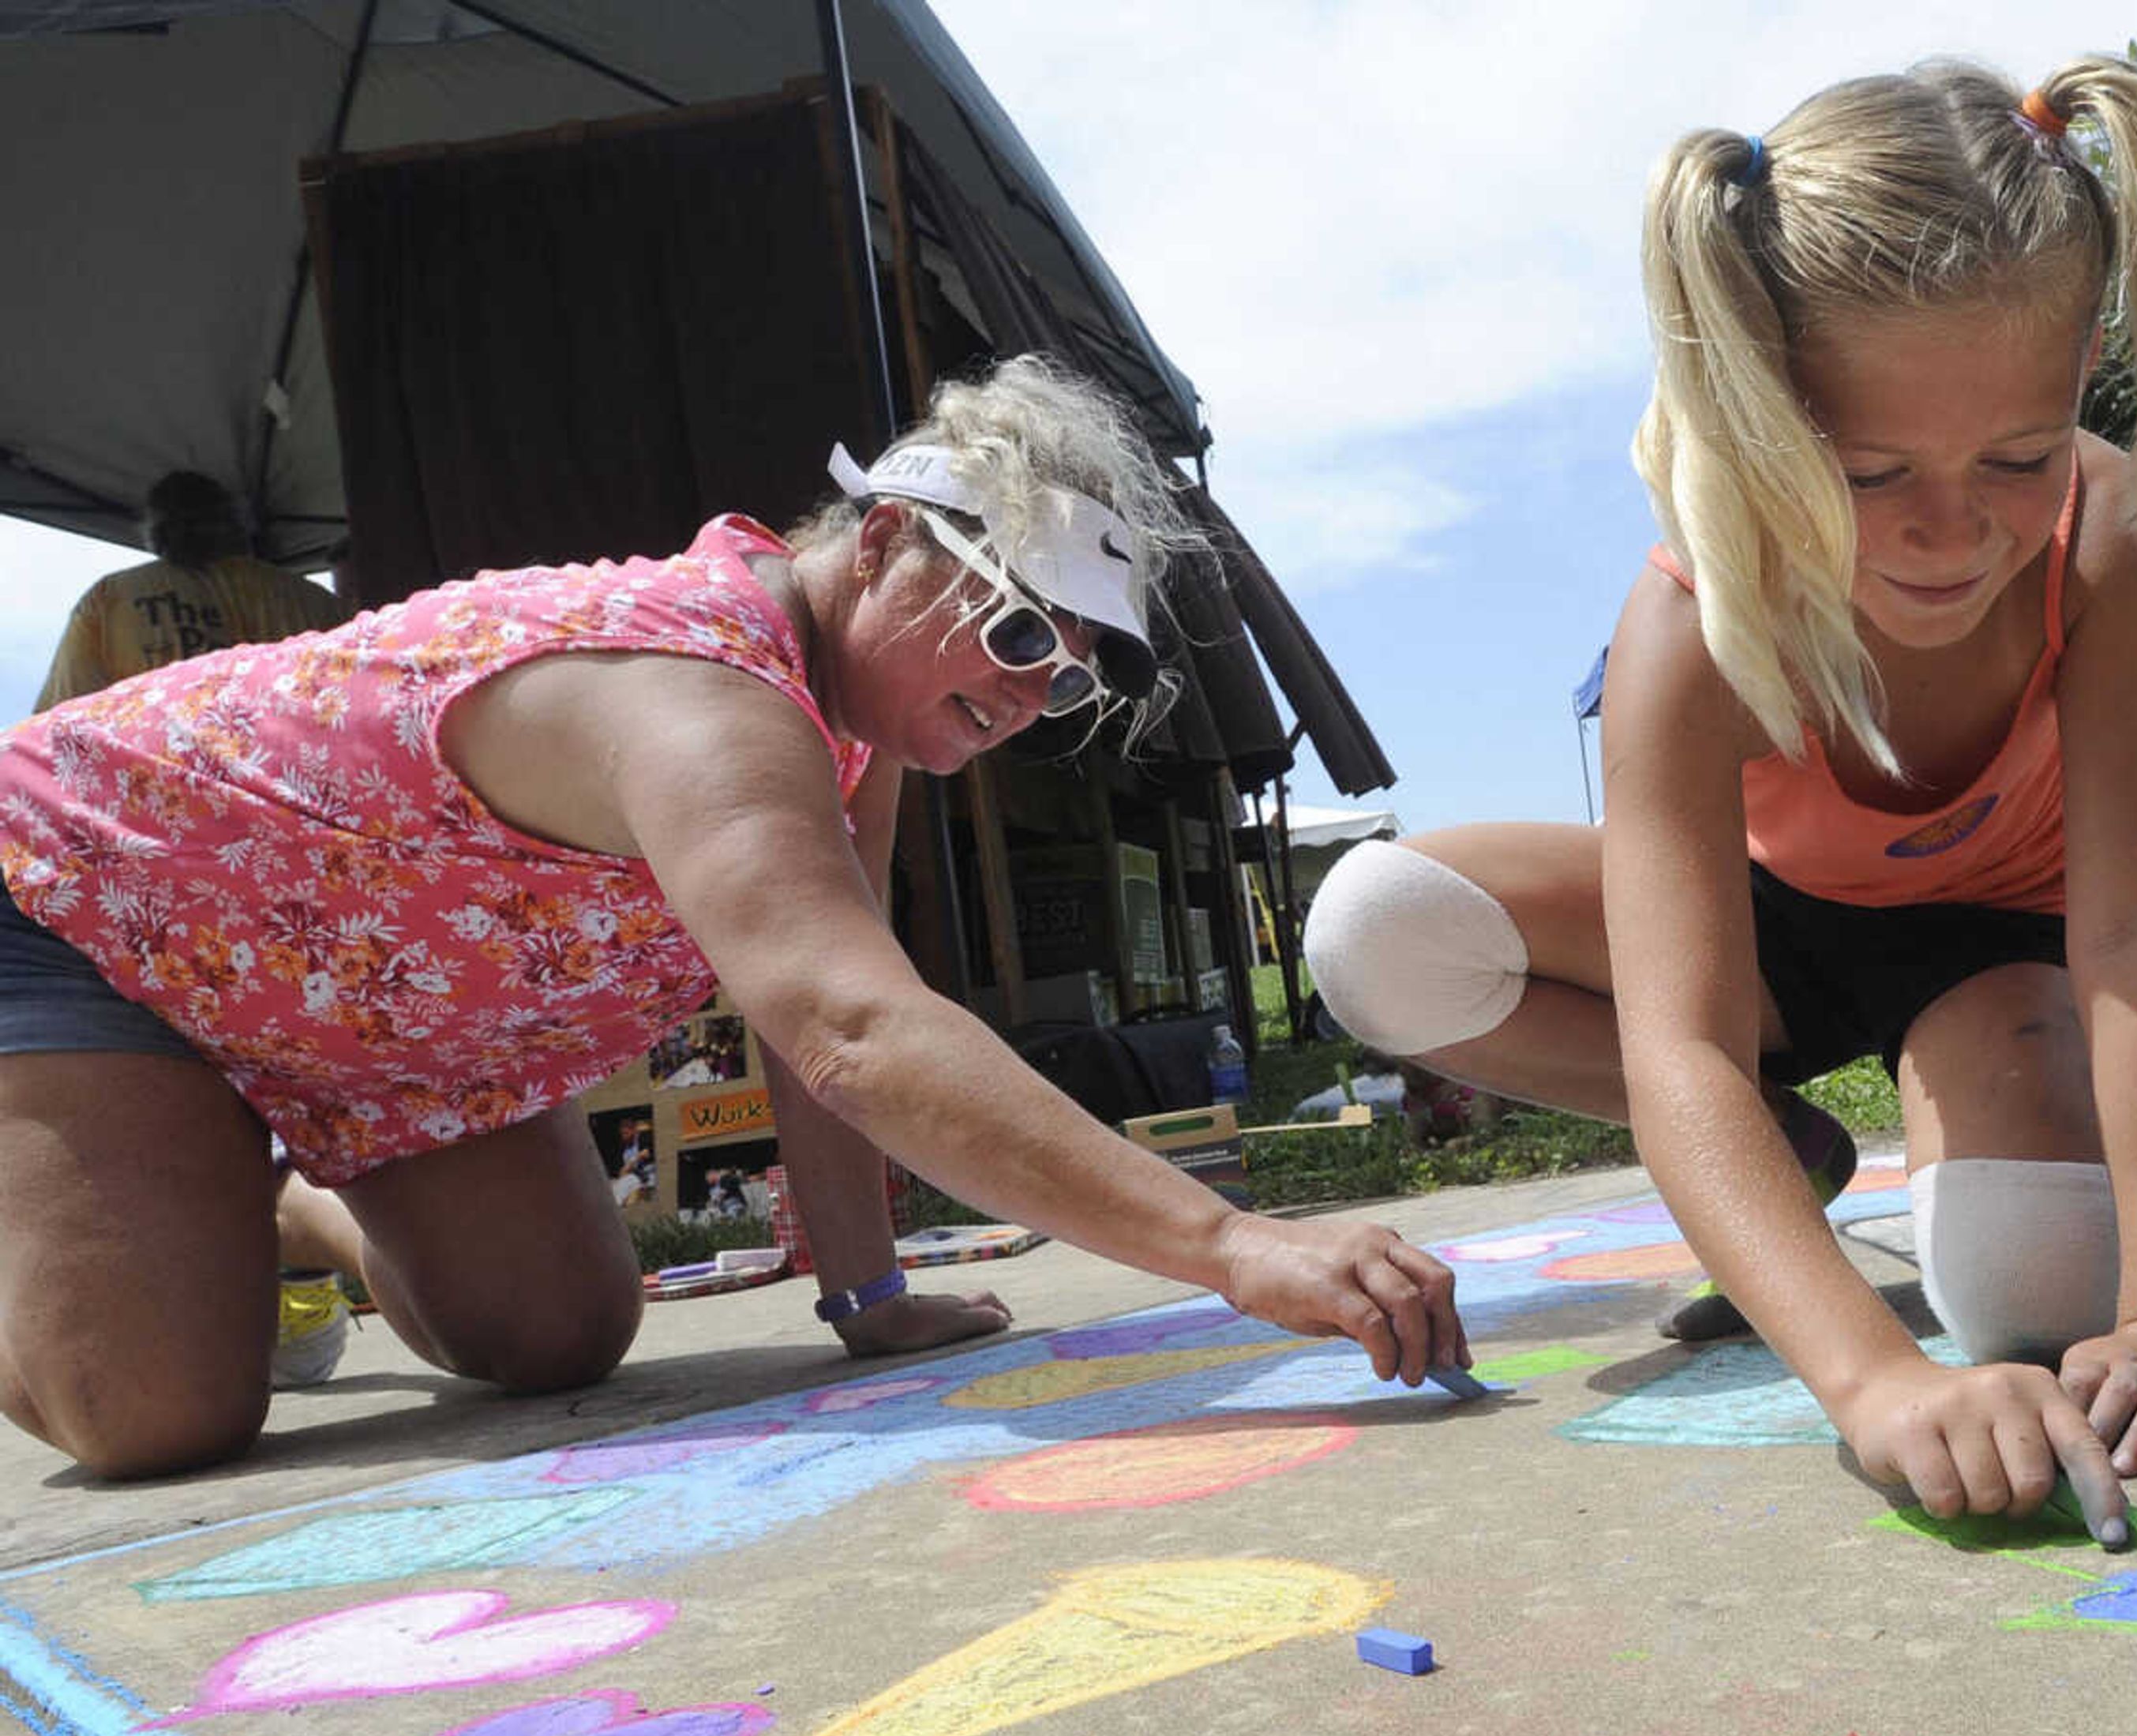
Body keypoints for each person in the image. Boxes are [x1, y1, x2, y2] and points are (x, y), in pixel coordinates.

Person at [0, 355, 1464, 1479]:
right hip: (101, 904)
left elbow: (820, 1001)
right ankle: (119, 1180)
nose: (1031, 693)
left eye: (1070, 674)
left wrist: (869, 1294)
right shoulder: (702, 692)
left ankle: (275, 1204)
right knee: (151, 1419)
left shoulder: (858, 721)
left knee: (558, 1336)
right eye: (1020, 630)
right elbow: (855, 1034)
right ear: (885, 541)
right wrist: (1228, 1246)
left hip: (374, 1014)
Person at [1305, 59, 2137, 1541]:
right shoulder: (1686, 620)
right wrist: (1869, 1381)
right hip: (1779, 931)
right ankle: (1794, 1154)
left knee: (2041, 1304)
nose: (1948, 528)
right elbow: (1683, 1049)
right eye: (1865, 471)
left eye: (2018, 455)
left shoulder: (2103, 529)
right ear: (1765, 410)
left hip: (1998, 943)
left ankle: (1939, 1135)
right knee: (1376, 925)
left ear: (2084, 376)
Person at [32, 470, 344, 709]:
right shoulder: (304, 598)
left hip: (158, 778)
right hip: (280, 777)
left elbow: (58, 722)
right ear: (234, 525)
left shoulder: (109, 598)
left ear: (156, 532)